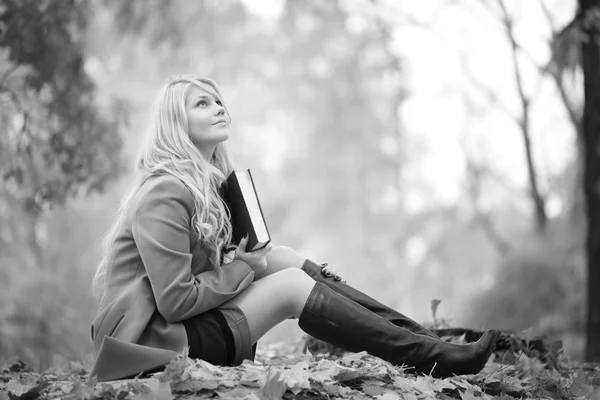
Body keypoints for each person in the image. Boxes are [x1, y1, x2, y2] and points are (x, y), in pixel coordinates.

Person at [88, 74, 498, 382]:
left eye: (218, 101)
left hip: (181, 330)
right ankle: (430, 358)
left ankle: (427, 345)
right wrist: (243, 267)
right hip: (151, 347)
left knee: (281, 257)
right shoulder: (164, 193)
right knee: (289, 286)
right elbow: (176, 300)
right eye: (202, 104)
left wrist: (246, 260)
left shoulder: (206, 187)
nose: (218, 107)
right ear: (175, 123)